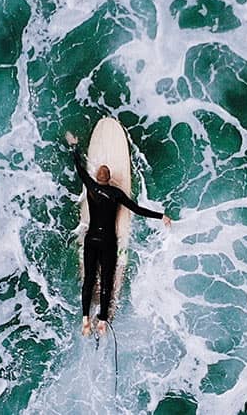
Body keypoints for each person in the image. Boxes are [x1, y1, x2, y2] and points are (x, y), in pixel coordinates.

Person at [65, 132, 173, 337]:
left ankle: (85, 320)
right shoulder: (116, 194)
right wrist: (161, 216)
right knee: (106, 280)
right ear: (110, 179)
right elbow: (138, 209)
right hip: (108, 242)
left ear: (97, 177)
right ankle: (103, 322)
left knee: (89, 279)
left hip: (91, 239)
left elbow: (79, 168)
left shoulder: (91, 186)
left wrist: (74, 147)